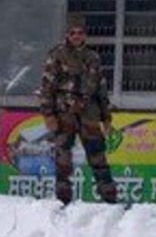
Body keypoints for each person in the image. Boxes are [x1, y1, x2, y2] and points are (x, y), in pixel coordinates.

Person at [37, 12, 119, 205]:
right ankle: (62, 200)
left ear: (85, 35)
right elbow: (47, 87)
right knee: (63, 158)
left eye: (80, 32)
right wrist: (48, 114)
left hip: (89, 113)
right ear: (67, 34)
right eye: (72, 32)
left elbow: (101, 88)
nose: (76, 36)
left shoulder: (93, 57)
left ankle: (109, 198)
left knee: (97, 155)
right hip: (64, 113)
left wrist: (106, 117)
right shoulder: (57, 54)